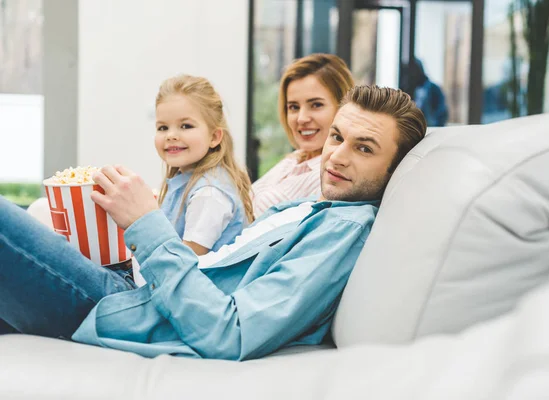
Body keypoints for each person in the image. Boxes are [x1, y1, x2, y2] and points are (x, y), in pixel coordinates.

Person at [0, 85, 427, 360]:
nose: (337, 155)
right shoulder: (316, 210)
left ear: (395, 168)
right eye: (337, 137)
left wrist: (147, 224)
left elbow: (230, 333)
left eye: (364, 148)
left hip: (120, 306)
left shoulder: (344, 232)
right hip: (136, 288)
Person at [154, 75, 254, 256]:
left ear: (214, 137)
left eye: (185, 126)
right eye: (163, 128)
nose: (171, 135)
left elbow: (185, 264)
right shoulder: (186, 179)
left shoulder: (209, 194)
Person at [252, 53, 354, 217]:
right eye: (293, 107)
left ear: (343, 107)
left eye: (316, 105)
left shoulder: (331, 176)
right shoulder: (295, 158)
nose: (301, 118)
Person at [410, 59, 448, 127]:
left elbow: (442, 111)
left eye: (414, 70)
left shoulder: (433, 88)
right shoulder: (412, 89)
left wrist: (436, 125)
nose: (412, 74)